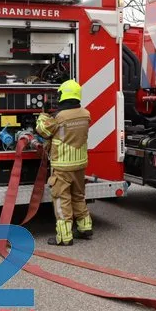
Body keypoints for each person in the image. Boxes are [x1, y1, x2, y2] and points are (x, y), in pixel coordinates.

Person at [36, 79, 93, 246]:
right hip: (80, 164)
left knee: (62, 200)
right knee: (78, 196)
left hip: (62, 166)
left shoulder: (60, 117)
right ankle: (85, 227)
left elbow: (43, 130)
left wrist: (44, 114)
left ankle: (64, 236)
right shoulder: (85, 114)